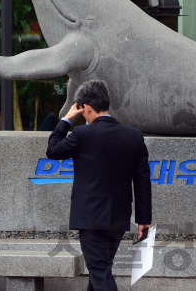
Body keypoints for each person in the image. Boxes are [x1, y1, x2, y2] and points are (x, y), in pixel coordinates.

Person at [46, 80, 152, 291]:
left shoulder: (82, 135)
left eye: (82, 110)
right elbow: (142, 181)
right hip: (119, 216)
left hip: (91, 217)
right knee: (101, 268)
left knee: (99, 271)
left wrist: (66, 119)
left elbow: (53, 150)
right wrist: (143, 220)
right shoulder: (134, 136)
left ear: (86, 107)